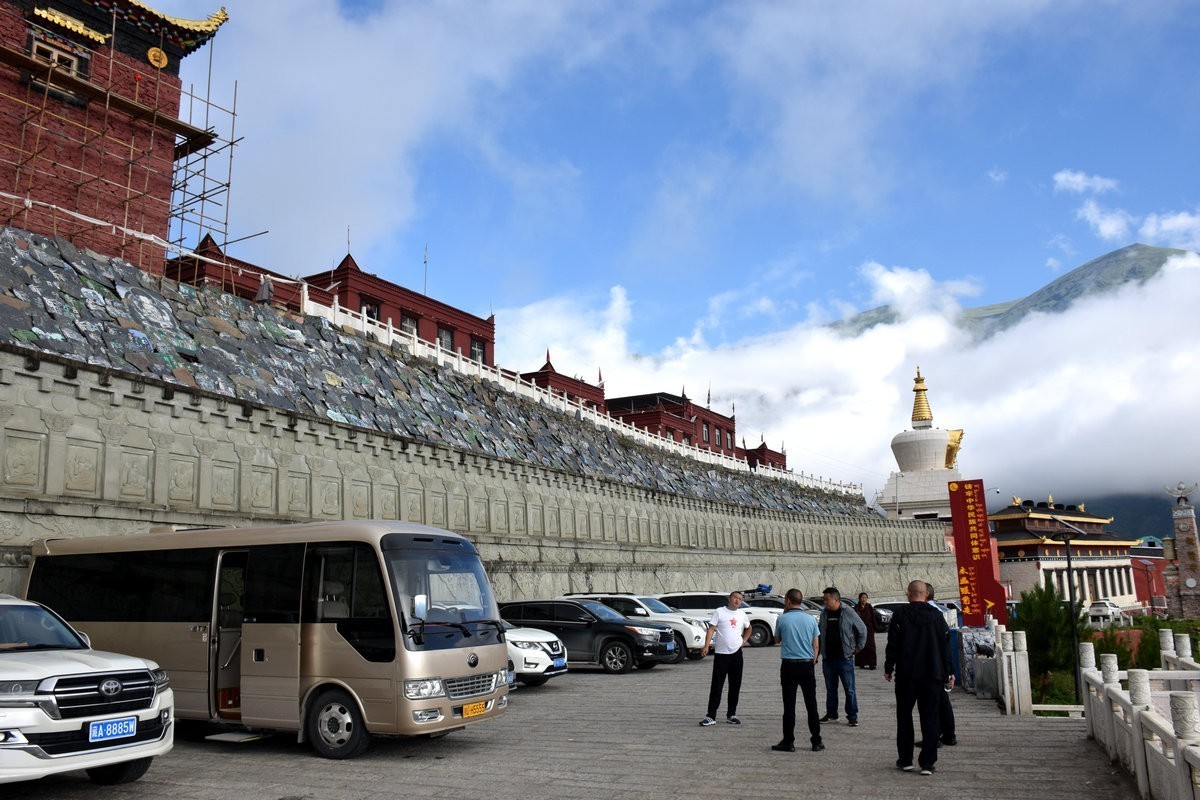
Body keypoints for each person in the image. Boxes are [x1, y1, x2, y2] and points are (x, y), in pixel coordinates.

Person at [884, 579, 951, 776]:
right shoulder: (938, 617)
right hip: (932, 674)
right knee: (930, 718)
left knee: (904, 717)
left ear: (909, 593)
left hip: (907, 675)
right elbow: (945, 647)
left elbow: (893, 643)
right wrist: (949, 672)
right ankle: (927, 764)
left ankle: (905, 760)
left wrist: (889, 667)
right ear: (926, 594)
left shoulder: (900, 614)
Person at [772, 588, 824, 752]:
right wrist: (814, 660)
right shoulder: (810, 619)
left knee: (789, 706)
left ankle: (789, 741)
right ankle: (816, 741)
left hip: (789, 665)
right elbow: (816, 644)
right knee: (811, 704)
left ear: (788, 600)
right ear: (801, 601)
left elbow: (777, 640)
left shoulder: (782, 619)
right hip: (807, 664)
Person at [699, 590, 751, 726]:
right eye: (735, 598)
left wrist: (743, 641)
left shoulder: (742, 614)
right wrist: (706, 645)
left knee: (735, 685)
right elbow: (711, 629)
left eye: (740, 599)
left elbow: (749, 628)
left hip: (736, 654)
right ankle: (711, 715)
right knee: (717, 685)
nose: (738, 601)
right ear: (730, 598)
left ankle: (731, 714)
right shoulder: (720, 611)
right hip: (721, 654)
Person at [818, 586, 867, 726]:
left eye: (827, 600)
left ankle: (852, 716)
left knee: (849, 689)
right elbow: (820, 633)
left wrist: (858, 647)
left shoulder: (848, 612)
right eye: (824, 600)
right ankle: (832, 714)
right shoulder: (824, 614)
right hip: (828, 659)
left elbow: (862, 630)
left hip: (845, 658)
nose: (825, 603)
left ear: (836, 599)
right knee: (830, 689)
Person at [922, 583, 957, 747]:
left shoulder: (930, 614)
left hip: (930, 666)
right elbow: (946, 644)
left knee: (932, 703)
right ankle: (948, 735)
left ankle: (934, 737)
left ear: (925, 594)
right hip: (939, 665)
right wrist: (949, 670)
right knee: (942, 701)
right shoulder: (939, 612)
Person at [853, 592, 877, 669]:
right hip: (859, 630)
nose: (864, 599)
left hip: (869, 630)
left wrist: (875, 627)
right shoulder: (856, 608)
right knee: (860, 646)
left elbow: (873, 618)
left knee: (871, 647)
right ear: (859, 599)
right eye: (862, 597)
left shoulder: (869, 607)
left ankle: (872, 664)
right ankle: (861, 663)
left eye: (865, 598)